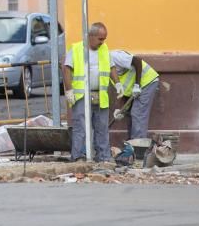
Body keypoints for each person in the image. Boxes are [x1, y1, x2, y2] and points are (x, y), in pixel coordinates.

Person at [62, 22, 112, 162]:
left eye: (104, 39)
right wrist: (69, 90)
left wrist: (118, 83)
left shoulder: (104, 49)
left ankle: (103, 156)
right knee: (81, 127)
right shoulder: (77, 48)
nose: (103, 42)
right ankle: (78, 156)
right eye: (100, 39)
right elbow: (66, 69)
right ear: (91, 36)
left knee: (102, 127)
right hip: (82, 94)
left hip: (100, 94)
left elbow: (111, 66)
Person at [111, 49, 160, 140]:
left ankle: (138, 147)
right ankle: (132, 143)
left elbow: (137, 61)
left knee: (137, 114)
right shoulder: (103, 71)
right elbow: (124, 90)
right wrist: (121, 109)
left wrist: (137, 85)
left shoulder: (114, 57)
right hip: (135, 88)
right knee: (130, 114)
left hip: (147, 81)